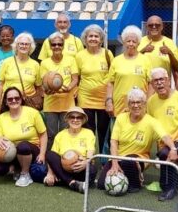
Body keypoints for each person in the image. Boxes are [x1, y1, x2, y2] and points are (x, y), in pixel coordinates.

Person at [98, 88, 175, 192]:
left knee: (129, 163)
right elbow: (113, 142)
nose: (135, 105)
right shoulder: (121, 118)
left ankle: (137, 181)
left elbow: (165, 136)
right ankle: (125, 173)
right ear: (128, 105)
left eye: (138, 102)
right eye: (132, 103)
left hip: (139, 158)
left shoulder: (151, 121)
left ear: (144, 103)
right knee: (102, 184)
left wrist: (173, 148)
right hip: (118, 157)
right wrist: (114, 164)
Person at [147, 68, 178, 201]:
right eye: (155, 81)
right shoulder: (151, 102)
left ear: (168, 81)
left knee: (165, 154)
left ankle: (171, 190)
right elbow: (151, 126)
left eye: (162, 79)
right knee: (164, 154)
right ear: (152, 84)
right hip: (163, 144)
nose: (159, 83)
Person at [0, 86, 47, 187]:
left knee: (23, 146)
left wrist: (42, 154)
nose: (14, 100)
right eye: (10, 99)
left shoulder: (33, 113)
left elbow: (43, 134)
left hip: (31, 149)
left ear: (21, 99)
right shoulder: (2, 117)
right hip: (11, 150)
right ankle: (16, 167)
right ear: (5, 102)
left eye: (17, 98)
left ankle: (25, 174)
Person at [75, 24, 113, 155]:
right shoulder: (79, 56)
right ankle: (88, 158)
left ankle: (104, 159)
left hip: (104, 99)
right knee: (88, 130)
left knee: (104, 131)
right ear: (85, 39)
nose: (93, 39)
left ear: (101, 39)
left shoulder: (108, 54)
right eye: (90, 36)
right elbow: (77, 77)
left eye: (96, 36)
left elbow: (112, 77)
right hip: (85, 98)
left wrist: (110, 98)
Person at [39, 32, 79, 149]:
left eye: (59, 44)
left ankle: (64, 159)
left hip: (67, 103)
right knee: (51, 135)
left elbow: (75, 79)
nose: (57, 46)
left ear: (63, 45)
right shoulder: (45, 63)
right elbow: (44, 82)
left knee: (65, 134)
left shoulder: (71, 60)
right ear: (50, 46)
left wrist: (69, 88)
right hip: (50, 104)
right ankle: (51, 160)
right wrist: (48, 90)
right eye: (54, 44)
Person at [44, 106, 96, 193]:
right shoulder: (60, 135)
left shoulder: (89, 133)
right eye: (72, 117)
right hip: (63, 168)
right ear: (67, 119)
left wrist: (86, 162)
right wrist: (50, 173)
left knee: (93, 170)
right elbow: (53, 155)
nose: (75, 120)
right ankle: (72, 183)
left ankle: (63, 180)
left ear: (83, 120)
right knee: (50, 154)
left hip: (80, 168)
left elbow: (91, 152)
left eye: (78, 117)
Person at [106, 25, 151, 115]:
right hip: (119, 106)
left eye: (134, 41)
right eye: (128, 41)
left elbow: (151, 84)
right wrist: (109, 101)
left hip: (139, 106)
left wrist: (147, 102)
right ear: (123, 42)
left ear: (138, 43)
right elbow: (110, 83)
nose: (131, 44)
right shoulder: (116, 60)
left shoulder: (145, 60)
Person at [0, 32, 43, 108]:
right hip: (9, 102)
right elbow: (0, 85)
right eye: (21, 44)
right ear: (16, 46)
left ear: (31, 47)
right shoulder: (6, 62)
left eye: (27, 44)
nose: (24, 46)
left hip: (28, 103)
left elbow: (39, 87)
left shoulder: (35, 64)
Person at [139, 15, 178, 88]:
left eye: (157, 25)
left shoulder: (170, 42)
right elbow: (131, 61)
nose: (154, 27)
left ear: (162, 27)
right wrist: (143, 50)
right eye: (151, 25)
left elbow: (176, 67)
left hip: (162, 86)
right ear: (146, 27)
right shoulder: (139, 42)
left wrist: (170, 53)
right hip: (142, 85)